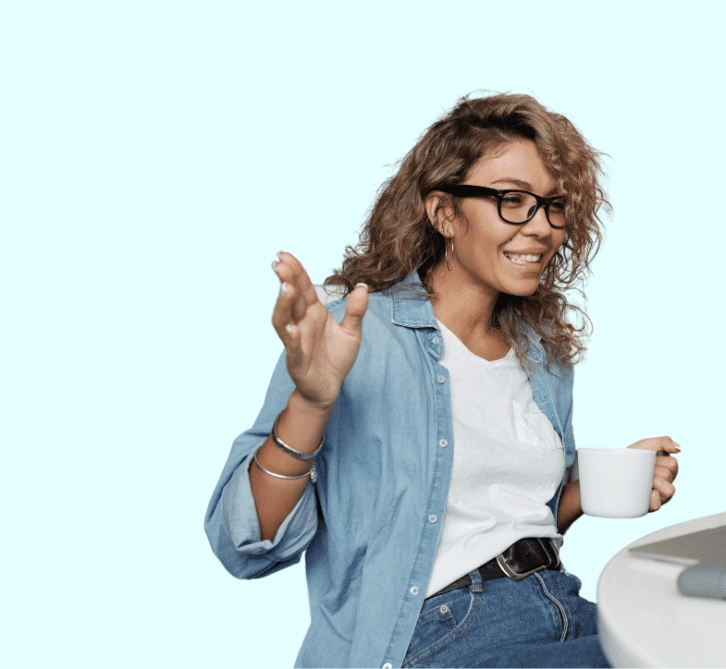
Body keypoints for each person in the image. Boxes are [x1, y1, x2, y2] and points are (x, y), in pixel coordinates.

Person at [203, 93, 680, 668]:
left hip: (559, 605)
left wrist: (588, 492)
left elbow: (496, 524)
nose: (543, 228)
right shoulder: (355, 334)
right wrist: (310, 401)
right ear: (444, 213)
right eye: (512, 200)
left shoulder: (544, 357)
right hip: (439, 635)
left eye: (554, 206)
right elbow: (241, 545)